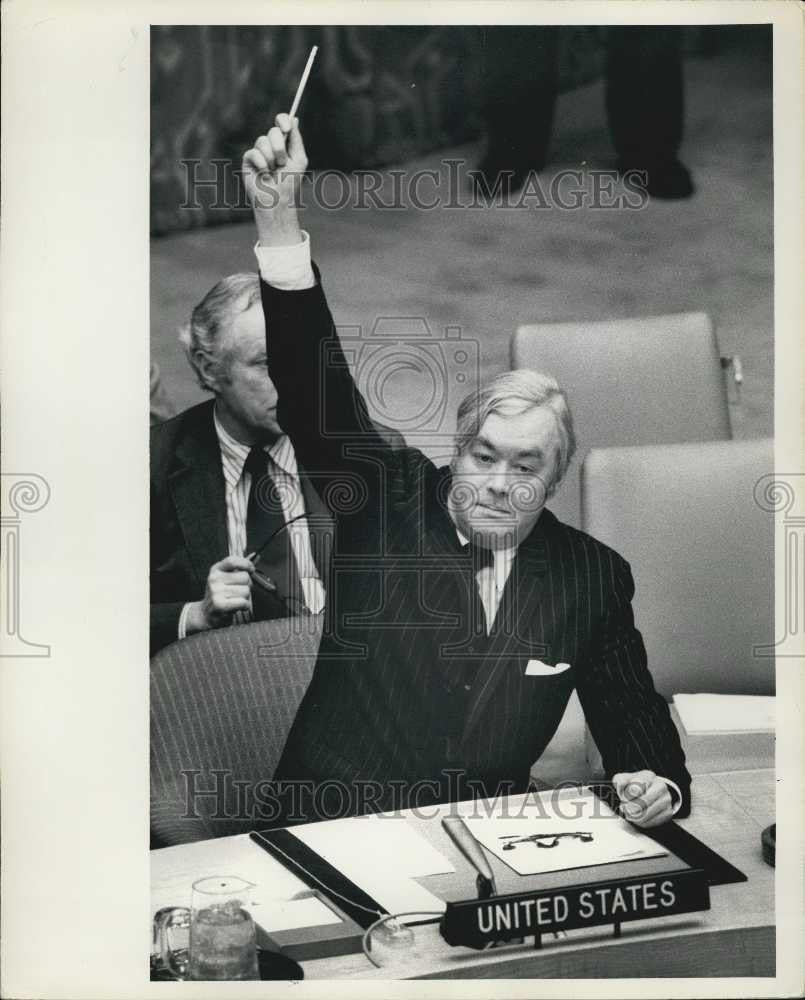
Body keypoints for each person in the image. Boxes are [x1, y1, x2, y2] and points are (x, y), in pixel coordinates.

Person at [243, 114, 692, 828]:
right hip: (329, 831)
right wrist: (276, 222)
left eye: (524, 465)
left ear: (552, 481)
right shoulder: (383, 497)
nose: (495, 481)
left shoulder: (590, 575)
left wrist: (653, 783)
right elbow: (313, 392)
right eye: (483, 455)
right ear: (457, 450)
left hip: (485, 849)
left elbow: (635, 718)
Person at [149, 270, 333, 656]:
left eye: (299, 358)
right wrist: (193, 614)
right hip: (222, 692)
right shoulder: (151, 469)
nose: (294, 381)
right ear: (208, 368)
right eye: (267, 363)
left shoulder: (364, 451)